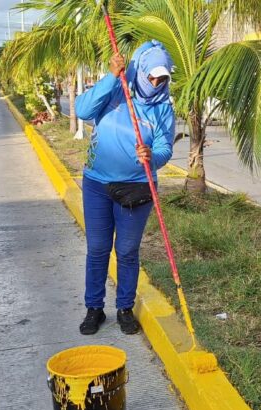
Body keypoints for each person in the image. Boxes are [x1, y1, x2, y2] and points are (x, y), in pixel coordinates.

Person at [74, 40, 175, 335]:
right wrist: (111, 76)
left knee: (128, 251)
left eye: (162, 78)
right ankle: (94, 309)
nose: (155, 82)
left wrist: (151, 156)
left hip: (137, 189)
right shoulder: (116, 89)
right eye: (151, 75)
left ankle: (125, 309)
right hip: (97, 184)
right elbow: (82, 109)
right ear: (140, 70)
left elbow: (164, 148)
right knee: (98, 249)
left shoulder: (163, 108)